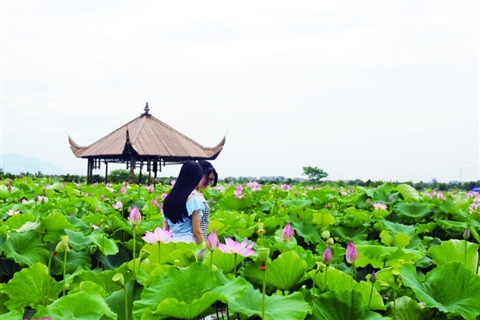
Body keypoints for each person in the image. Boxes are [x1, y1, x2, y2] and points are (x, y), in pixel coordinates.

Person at [162, 161, 205, 244]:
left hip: (171, 241)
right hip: (188, 242)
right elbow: (197, 232)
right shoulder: (194, 200)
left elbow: (164, 228)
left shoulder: (168, 199)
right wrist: (204, 250)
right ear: (195, 179)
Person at [194, 160, 218, 238]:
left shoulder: (199, 194)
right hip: (196, 242)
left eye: (211, 180)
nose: (208, 182)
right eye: (207, 178)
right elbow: (196, 231)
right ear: (198, 174)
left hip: (201, 239)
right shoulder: (191, 196)